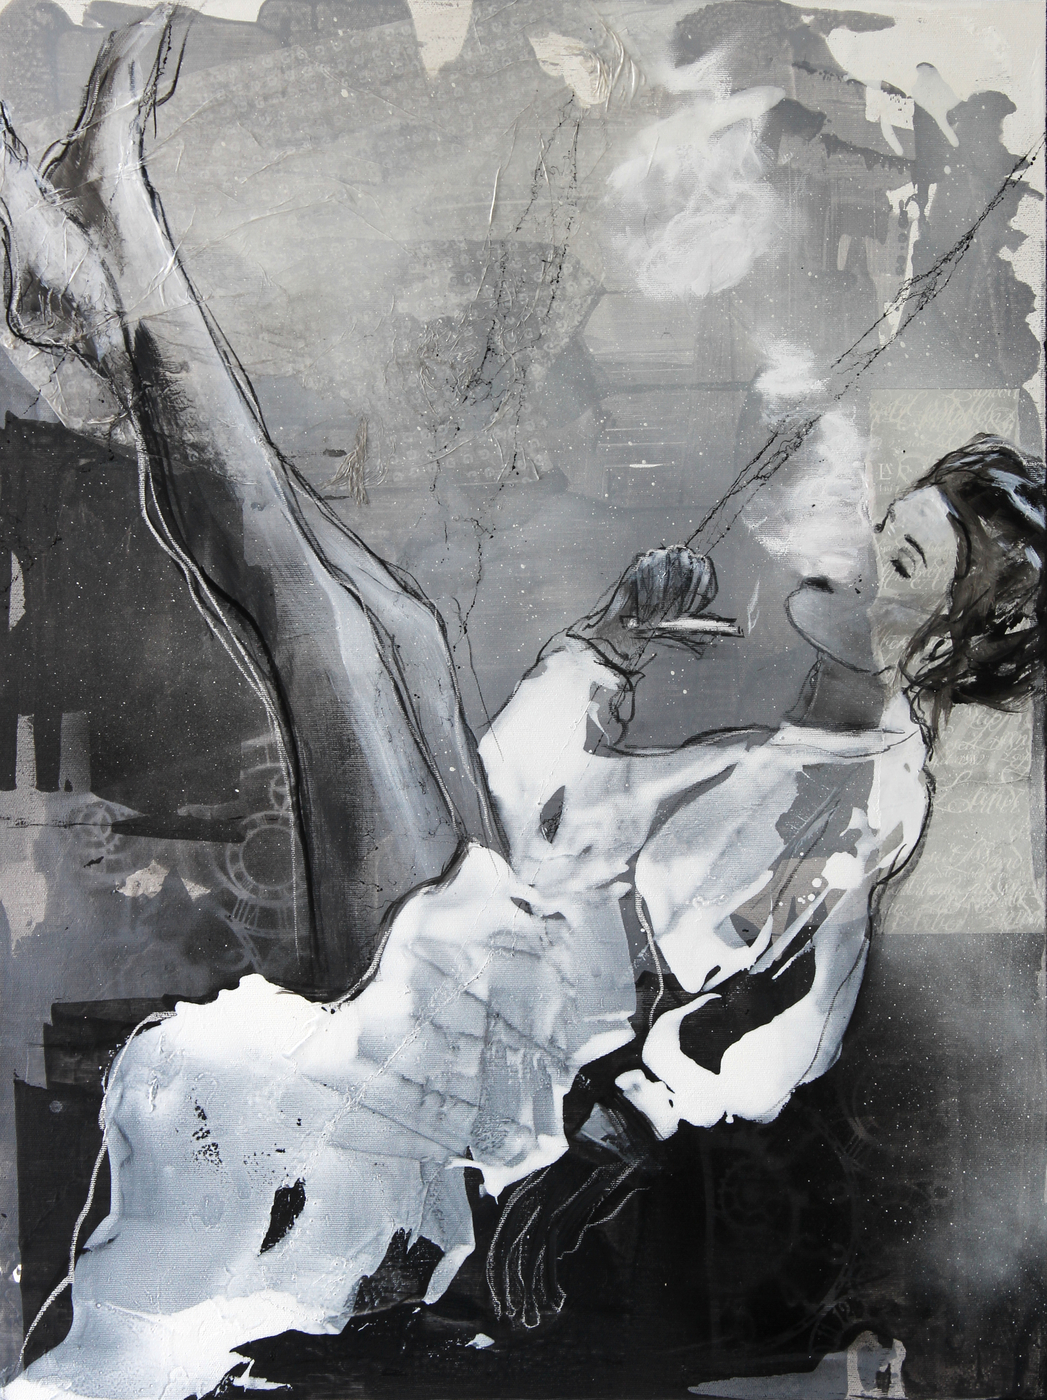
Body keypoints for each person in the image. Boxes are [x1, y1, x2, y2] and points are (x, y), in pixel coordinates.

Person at [0, 13, 1043, 1399]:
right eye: (883, 522)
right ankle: (93, 290)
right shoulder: (819, 735)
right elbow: (579, 814)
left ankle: (113, 230)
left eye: (896, 565)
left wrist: (602, 1146)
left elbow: (774, 1035)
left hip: (488, 1039)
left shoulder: (862, 793)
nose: (851, 554)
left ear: (947, 647)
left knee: (322, 623)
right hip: (502, 921)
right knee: (394, 624)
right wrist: (609, 648)